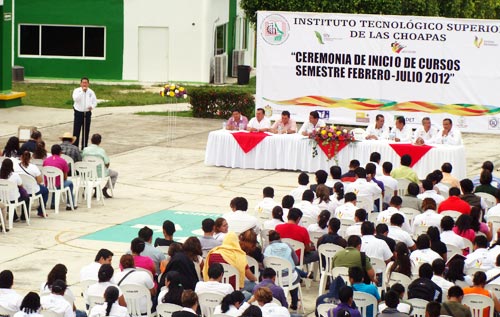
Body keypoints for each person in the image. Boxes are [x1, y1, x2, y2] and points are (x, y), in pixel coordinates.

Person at [82, 133, 118, 198]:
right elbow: (107, 163)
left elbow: (82, 159)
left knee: (92, 174)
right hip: (100, 173)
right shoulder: (101, 151)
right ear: (100, 142)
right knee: (115, 174)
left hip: (88, 173)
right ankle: (105, 189)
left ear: (91, 140)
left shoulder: (85, 149)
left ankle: (95, 189)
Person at [42, 144, 76, 210]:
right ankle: (70, 204)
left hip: (47, 184)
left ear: (51, 152)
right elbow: (65, 177)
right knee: (70, 183)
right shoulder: (63, 161)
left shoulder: (46, 160)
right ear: (60, 152)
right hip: (57, 184)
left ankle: (53, 203)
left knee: (55, 182)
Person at [15, 150, 49, 217]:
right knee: (45, 190)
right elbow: (40, 181)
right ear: (30, 158)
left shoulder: (15, 166)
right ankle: (41, 211)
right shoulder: (34, 167)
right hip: (32, 190)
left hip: (21, 190)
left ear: (21, 157)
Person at [73, 77, 97, 149]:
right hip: (78, 112)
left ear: (88, 84)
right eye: (83, 82)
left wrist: (92, 106)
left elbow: (94, 102)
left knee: (86, 130)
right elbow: (76, 99)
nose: (84, 84)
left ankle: (84, 147)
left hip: (87, 113)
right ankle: (75, 147)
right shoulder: (77, 91)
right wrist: (82, 92)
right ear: (80, 83)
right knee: (76, 130)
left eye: (86, 83)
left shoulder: (91, 92)